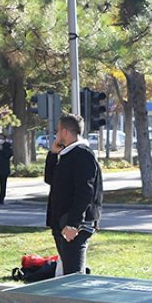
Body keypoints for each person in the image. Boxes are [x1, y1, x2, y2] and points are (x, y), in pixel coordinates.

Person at [44, 113, 103, 276]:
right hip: (62, 221)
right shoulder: (66, 154)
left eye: (57, 131)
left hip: (74, 223)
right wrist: (52, 154)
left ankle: (81, 302)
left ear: (64, 132)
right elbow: (50, 179)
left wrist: (73, 223)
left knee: (74, 276)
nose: (56, 134)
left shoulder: (82, 154)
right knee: (68, 273)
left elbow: (86, 191)